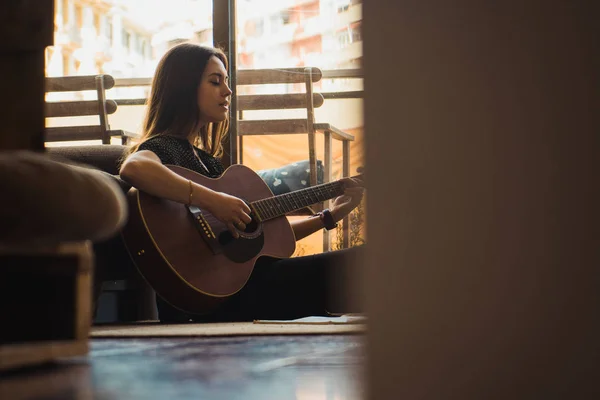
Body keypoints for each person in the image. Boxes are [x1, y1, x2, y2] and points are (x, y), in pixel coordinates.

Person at [119, 43, 365, 322]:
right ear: (183, 87)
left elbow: (268, 238)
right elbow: (134, 167)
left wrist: (330, 216)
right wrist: (213, 200)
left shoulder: (208, 163)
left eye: (226, 82)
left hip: (242, 285)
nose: (228, 91)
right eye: (215, 82)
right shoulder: (164, 147)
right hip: (212, 294)